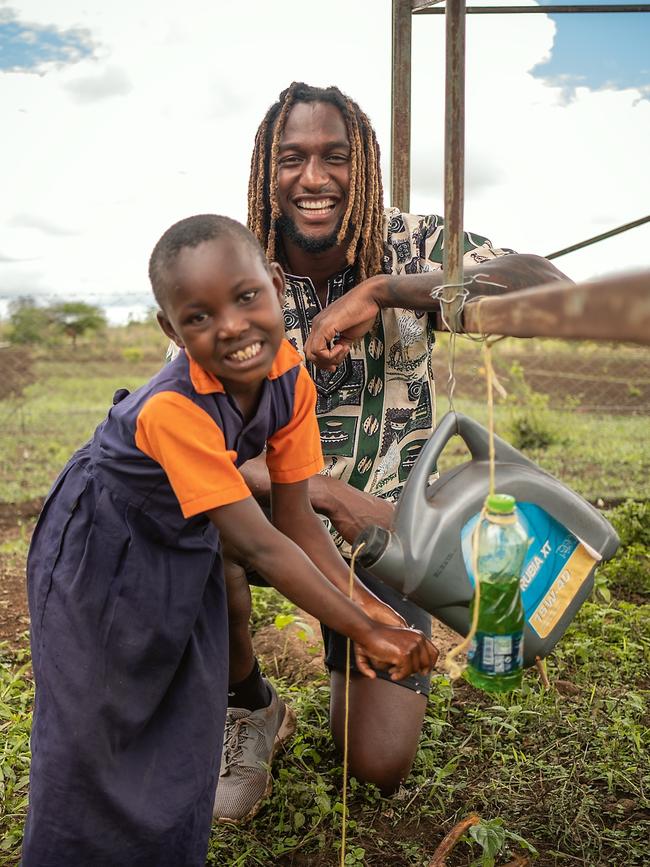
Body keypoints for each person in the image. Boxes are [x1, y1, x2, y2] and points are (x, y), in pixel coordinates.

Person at [22, 214, 438, 867]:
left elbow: (299, 523)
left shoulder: (290, 381)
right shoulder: (173, 410)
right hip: (100, 551)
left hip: (179, 542)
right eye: (199, 316)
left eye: (246, 297)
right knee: (92, 725)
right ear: (172, 331)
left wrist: (372, 608)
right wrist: (362, 628)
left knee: (183, 710)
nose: (233, 326)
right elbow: (261, 547)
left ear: (274, 284)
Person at [214, 81, 571, 822]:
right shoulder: (232, 265)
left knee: (375, 763)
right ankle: (247, 702)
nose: (313, 179)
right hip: (262, 526)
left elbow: (546, 285)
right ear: (266, 170)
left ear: (364, 164)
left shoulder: (411, 242)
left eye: (334, 157)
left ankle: (357, 645)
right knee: (186, 527)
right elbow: (188, 436)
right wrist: (314, 489)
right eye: (292, 158)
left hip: (386, 540)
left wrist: (387, 289)